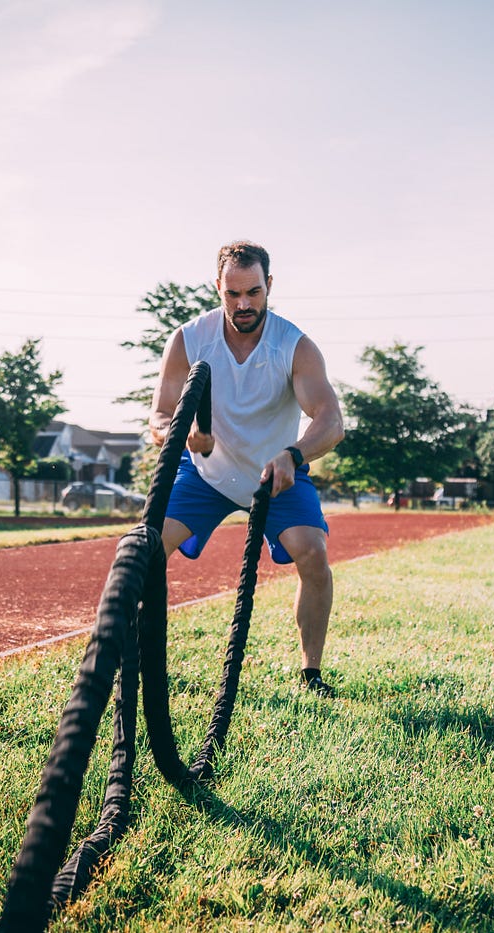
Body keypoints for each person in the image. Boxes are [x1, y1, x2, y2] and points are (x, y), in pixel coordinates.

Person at [149, 240, 345, 697]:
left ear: (269, 286)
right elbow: (158, 416)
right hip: (204, 470)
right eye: (232, 293)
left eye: (253, 293)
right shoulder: (188, 339)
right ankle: (136, 654)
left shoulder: (293, 345)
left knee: (313, 555)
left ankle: (311, 673)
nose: (243, 304)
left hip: (275, 473)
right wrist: (178, 433)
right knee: (148, 548)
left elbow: (331, 421)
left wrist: (293, 455)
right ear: (217, 287)